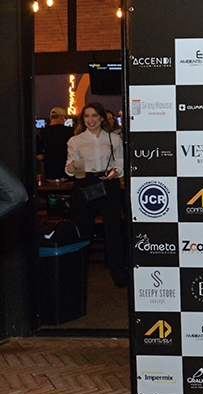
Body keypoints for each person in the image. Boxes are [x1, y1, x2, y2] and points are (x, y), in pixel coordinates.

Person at [65, 101, 128, 288]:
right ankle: (77, 278)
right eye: (86, 116)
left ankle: (120, 278)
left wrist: (116, 173)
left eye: (94, 116)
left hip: (108, 184)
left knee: (113, 231)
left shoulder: (114, 138)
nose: (90, 120)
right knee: (82, 231)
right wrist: (70, 168)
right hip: (84, 183)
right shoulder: (75, 141)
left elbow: (120, 162)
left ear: (102, 118)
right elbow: (70, 167)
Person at [38, 107, 75, 181]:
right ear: (62, 117)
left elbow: (40, 155)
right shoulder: (69, 131)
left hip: (49, 168)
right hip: (66, 168)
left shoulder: (43, 132)